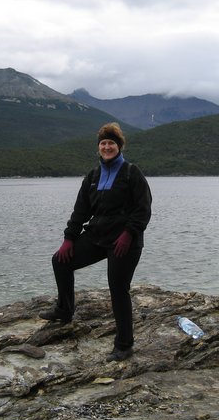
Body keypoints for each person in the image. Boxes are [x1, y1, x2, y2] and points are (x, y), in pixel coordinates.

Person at [40, 122, 152, 362]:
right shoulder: (93, 176)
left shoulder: (131, 173)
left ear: (119, 146)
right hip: (98, 236)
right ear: (99, 147)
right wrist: (69, 238)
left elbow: (143, 209)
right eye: (103, 143)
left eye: (111, 143)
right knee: (60, 261)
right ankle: (64, 310)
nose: (107, 147)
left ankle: (124, 345)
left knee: (118, 288)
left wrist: (129, 233)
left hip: (125, 241)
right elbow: (80, 211)